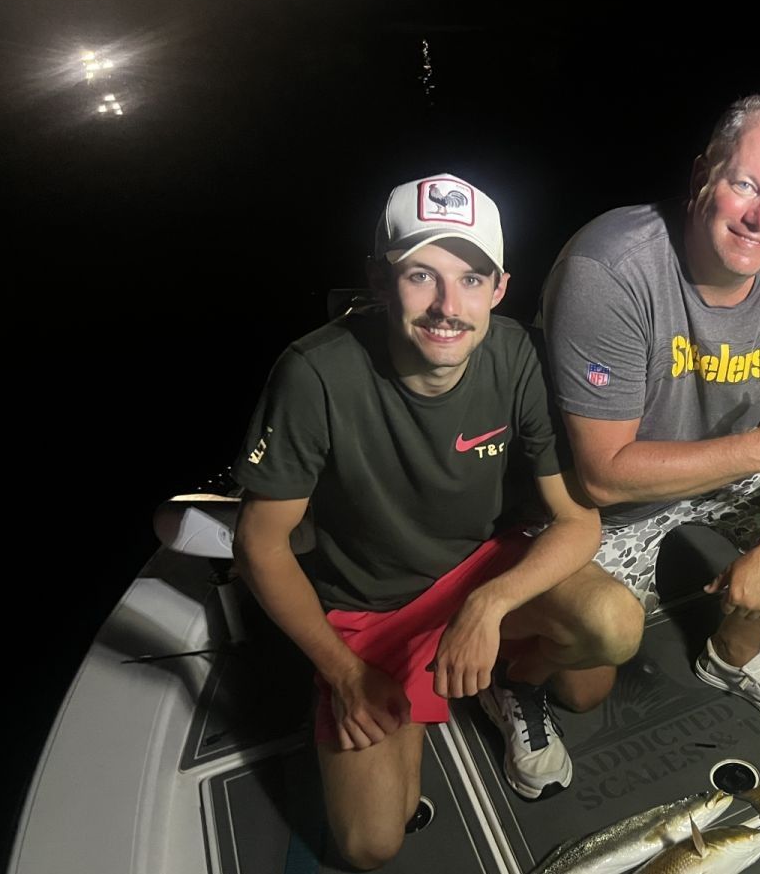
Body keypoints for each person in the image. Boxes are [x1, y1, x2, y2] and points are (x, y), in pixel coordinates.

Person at [230, 172, 641, 869]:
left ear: (500, 288)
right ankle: (412, 685)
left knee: (609, 639)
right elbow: (259, 546)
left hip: (481, 568)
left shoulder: (517, 354)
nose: (449, 306)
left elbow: (578, 520)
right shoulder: (313, 373)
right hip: (371, 608)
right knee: (371, 843)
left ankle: (509, 680)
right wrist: (344, 673)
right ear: (379, 280)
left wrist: (488, 604)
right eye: (421, 275)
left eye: (471, 279)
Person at [540, 93, 760, 733]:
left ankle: (733, 653)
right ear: (700, 178)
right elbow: (602, 475)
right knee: (585, 686)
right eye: (745, 185)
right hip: (606, 504)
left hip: (721, 472)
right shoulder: (611, 268)